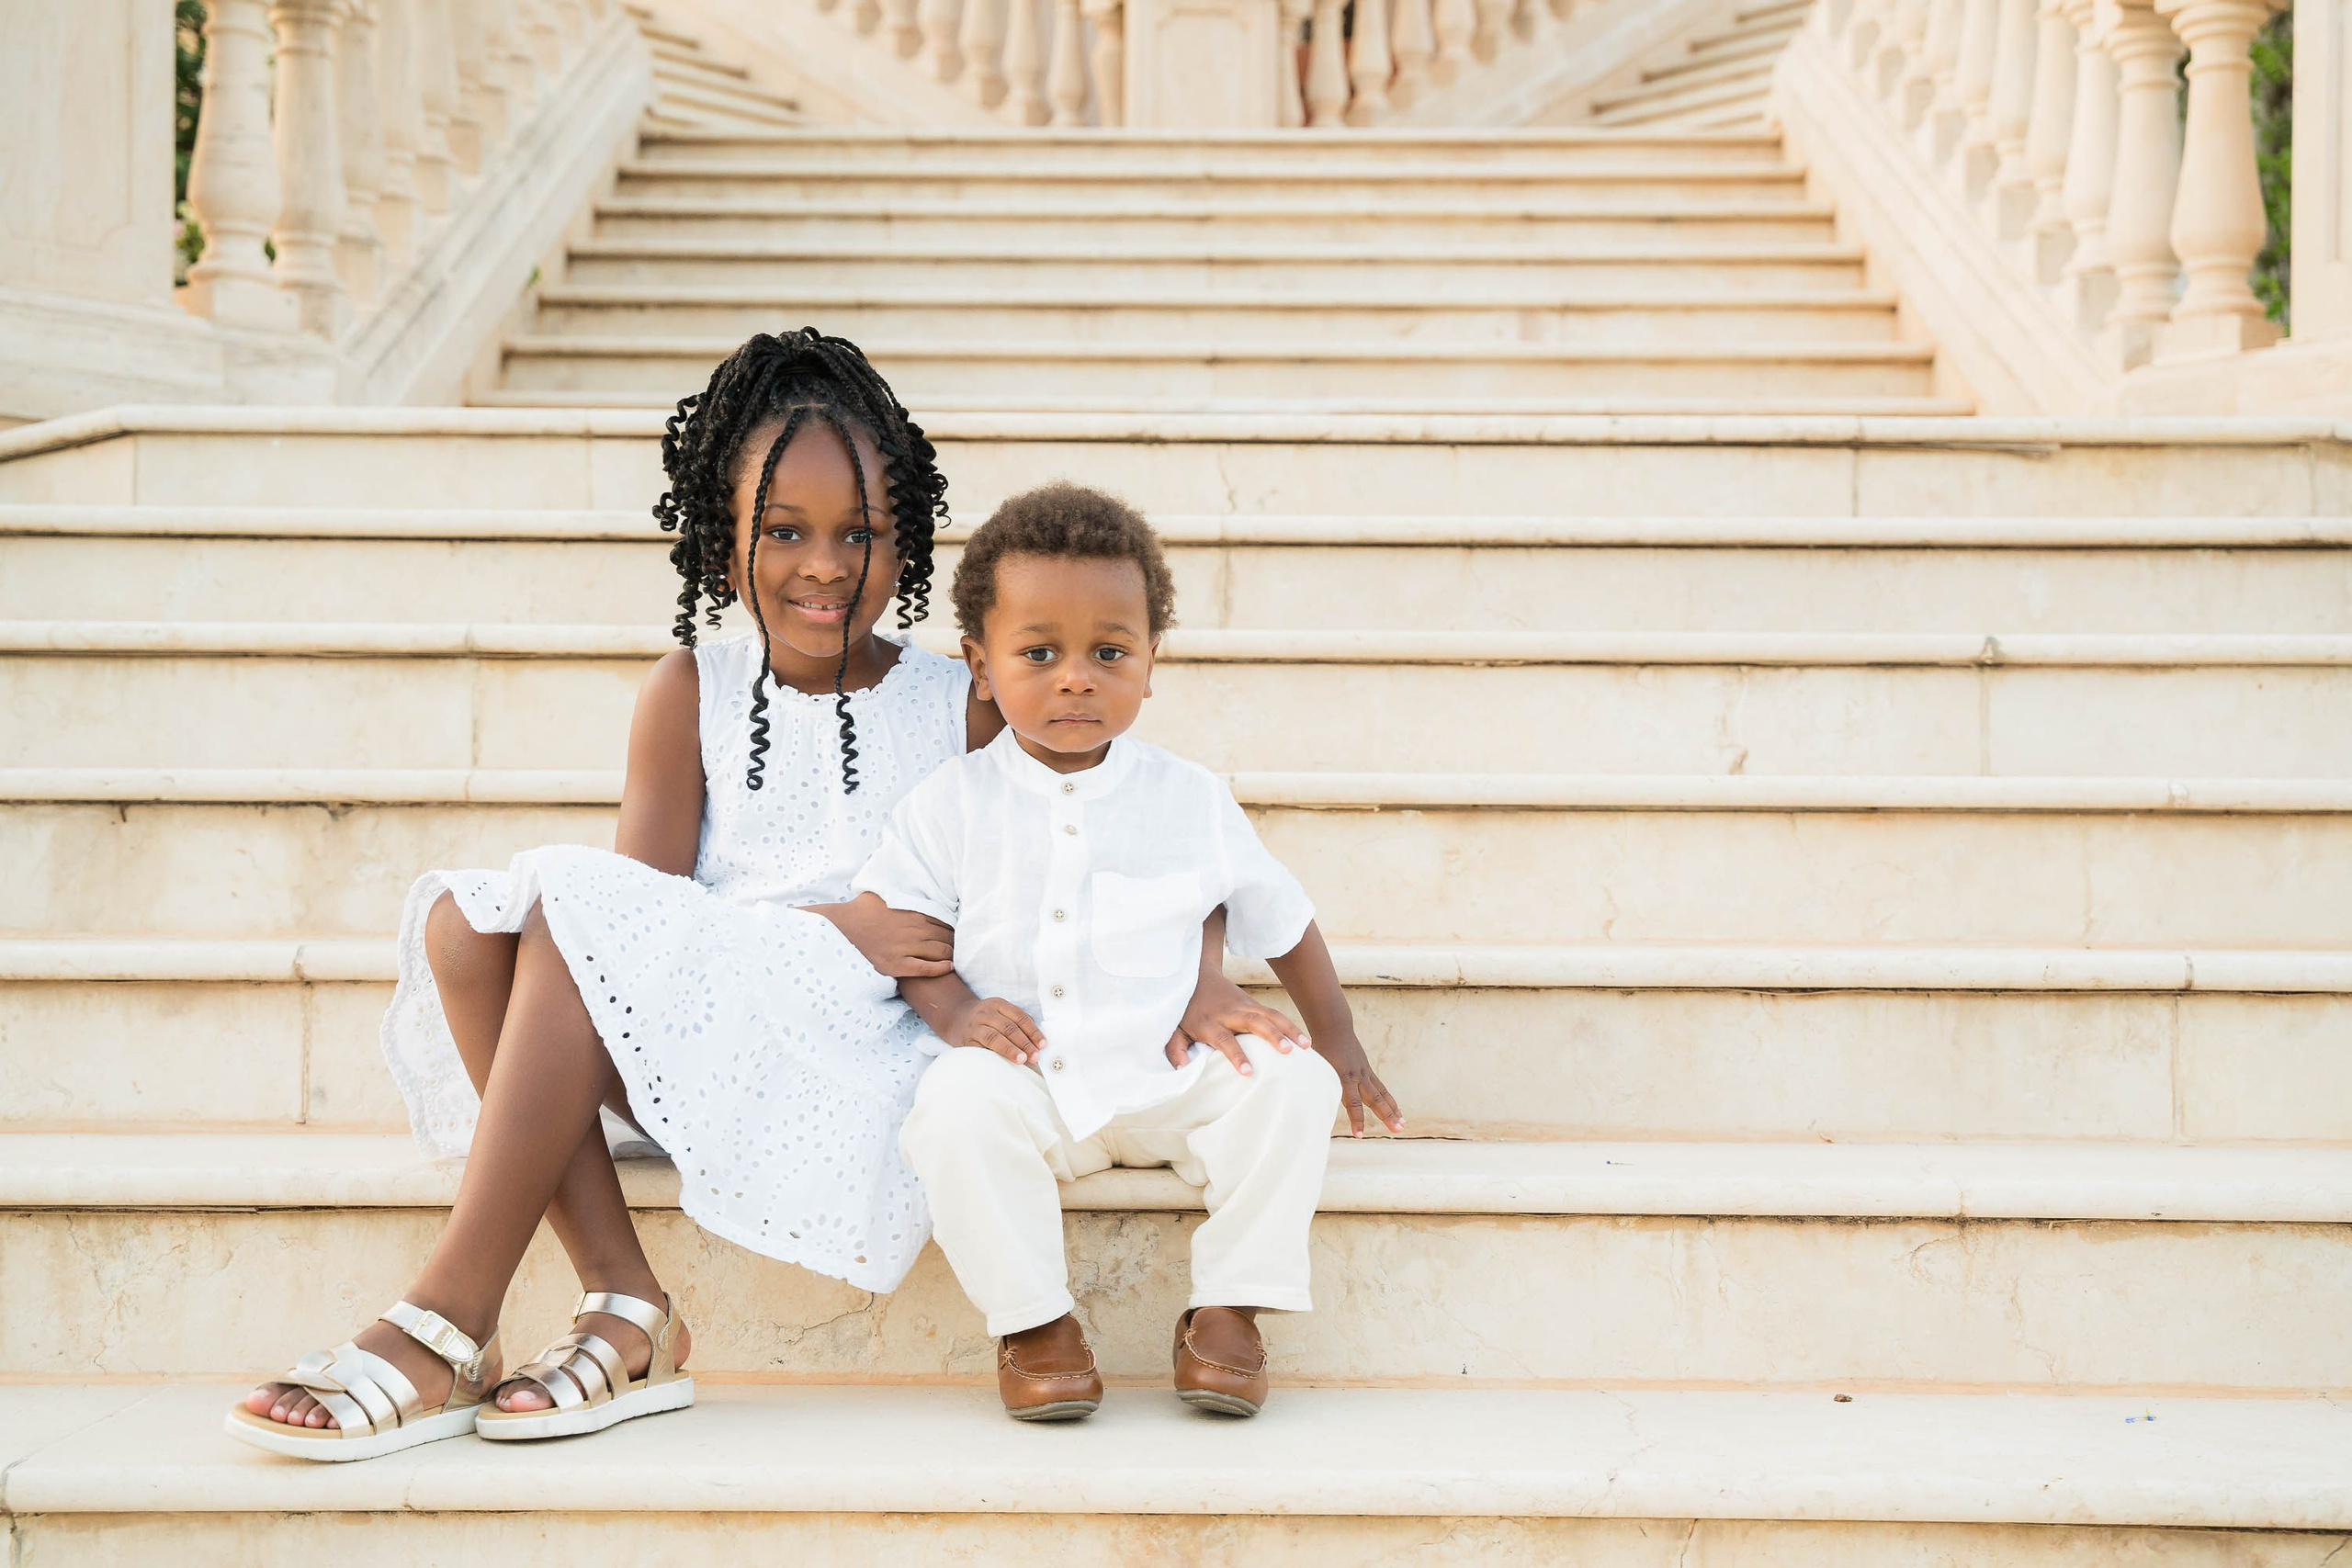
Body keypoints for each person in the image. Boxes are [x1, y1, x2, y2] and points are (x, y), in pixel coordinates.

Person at [225, 332, 1289, 1461]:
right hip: (718, 1022)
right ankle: (623, 1295)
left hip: (884, 1044)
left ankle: (454, 1313)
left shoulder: (962, 699)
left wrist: (1201, 975)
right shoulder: (691, 687)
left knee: (555, 910)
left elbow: (1124, 824)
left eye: (858, 534)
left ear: (909, 539)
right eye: (782, 531)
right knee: (470, 922)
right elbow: (635, 920)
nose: (822, 565)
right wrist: (840, 926)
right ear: (720, 535)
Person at [857, 481, 1405, 1423]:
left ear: (1152, 663)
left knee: (1292, 1083)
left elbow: (1282, 916)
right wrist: (952, 1012)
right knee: (950, 1108)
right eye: (1040, 654)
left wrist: (1338, 1038)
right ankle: (1035, 1325)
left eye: (1109, 653)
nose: (1076, 677)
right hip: (1027, 1076)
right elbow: (906, 934)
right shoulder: (947, 804)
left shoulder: (1188, 797)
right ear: (980, 665)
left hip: (1166, 1071)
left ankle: (1228, 1308)